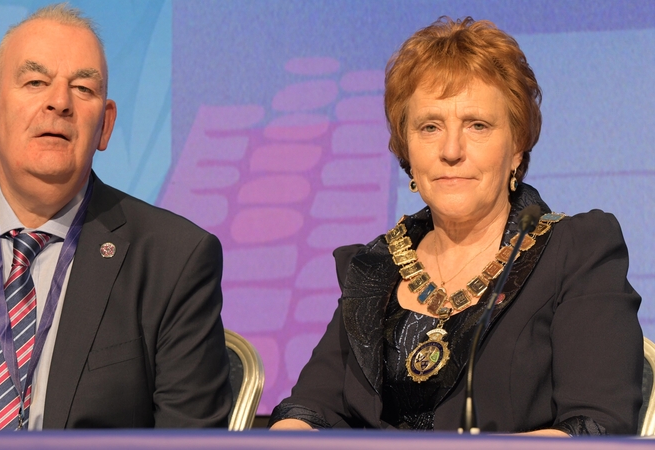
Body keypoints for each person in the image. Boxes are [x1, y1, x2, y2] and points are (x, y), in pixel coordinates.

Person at [0, 4, 231, 429]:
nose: (59, 102)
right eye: (35, 82)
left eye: (83, 89)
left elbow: (190, 439)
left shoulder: (174, 260)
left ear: (106, 126)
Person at [269, 17, 642, 435]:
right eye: (430, 127)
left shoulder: (577, 251)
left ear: (517, 146)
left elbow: (596, 425)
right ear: (406, 147)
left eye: (477, 126)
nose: (450, 150)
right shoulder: (375, 267)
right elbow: (308, 410)